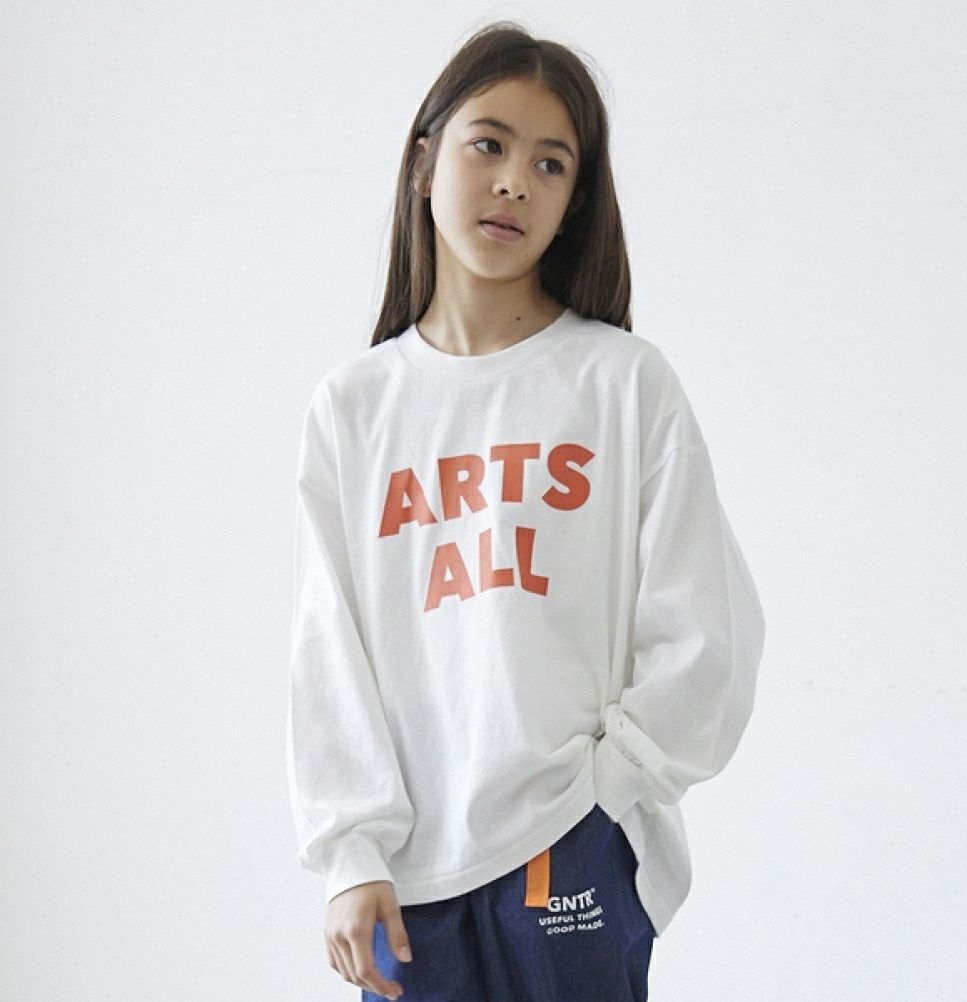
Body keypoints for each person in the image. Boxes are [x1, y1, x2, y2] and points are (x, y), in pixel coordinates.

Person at [286, 20, 766, 1002]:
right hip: (404, 880)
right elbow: (329, 646)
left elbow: (707, 627)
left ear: (573, 202)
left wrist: (609, 793)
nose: (514, 181)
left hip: (570, 844)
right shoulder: (355, 408)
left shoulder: (620, 383)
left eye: (551, 164)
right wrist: (351, 852)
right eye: (489, 145)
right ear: (424, 162)